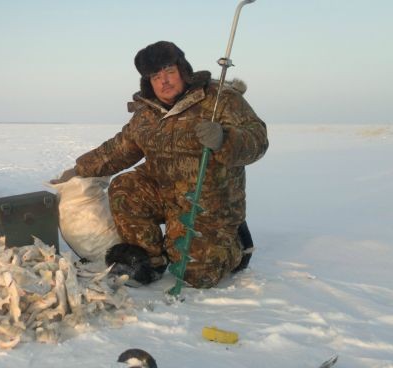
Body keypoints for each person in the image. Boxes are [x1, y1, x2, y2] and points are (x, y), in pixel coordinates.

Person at [52, 41, 268, 288]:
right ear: (148, 81)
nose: (164, 81)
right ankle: (150, 261)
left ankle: (236, 244)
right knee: (126, 188)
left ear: (183, 71)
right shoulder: (147, 112)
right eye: (156, 76)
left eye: (169, 72)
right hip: (164, 193)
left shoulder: (220, 99)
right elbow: (118, 149)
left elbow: (258, 140)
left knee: (195, 275)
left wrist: (225, 139)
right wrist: (79, 169)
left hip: (209, 201)